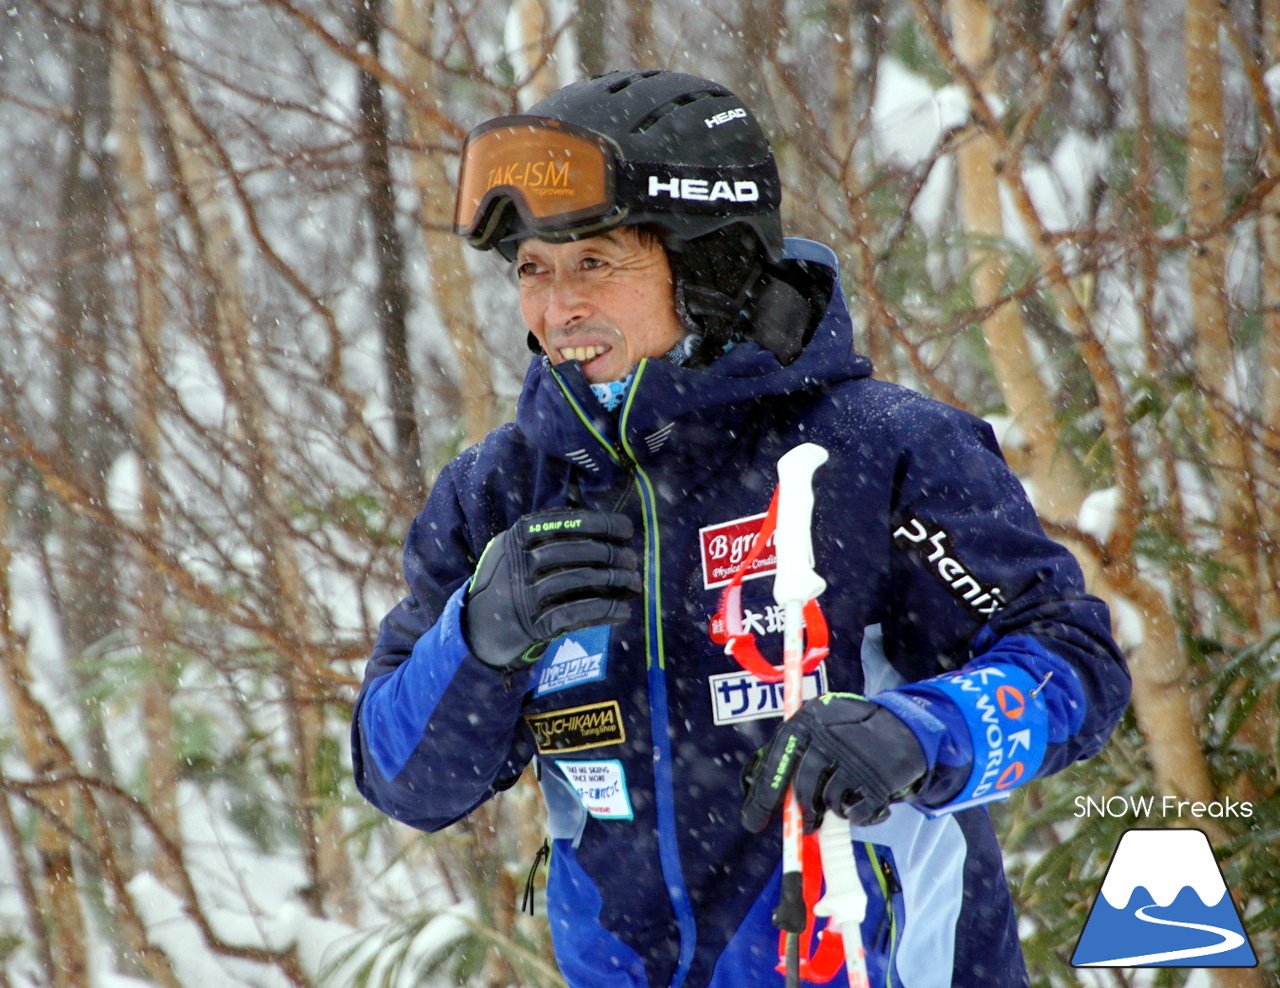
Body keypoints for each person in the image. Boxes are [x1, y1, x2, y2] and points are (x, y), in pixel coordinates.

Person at [351, 69, 1130, 988]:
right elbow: (405, 780)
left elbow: (1077, 667)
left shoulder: (884, 452)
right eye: (533, 269)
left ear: (710, 265)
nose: (555, 310)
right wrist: (475, 642)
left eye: (594, 263)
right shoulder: (501, 494)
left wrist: (924, 733)